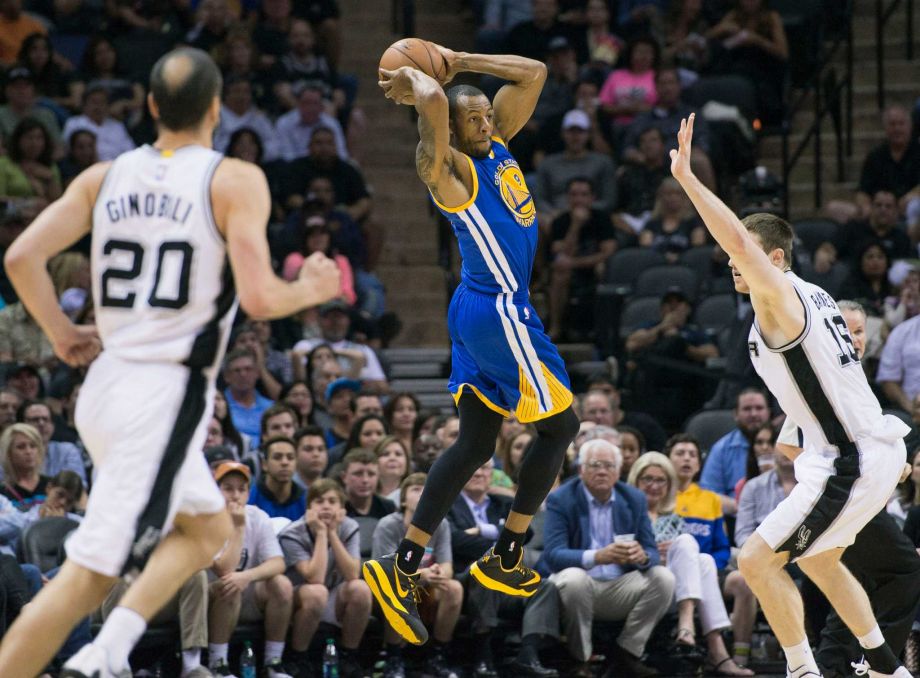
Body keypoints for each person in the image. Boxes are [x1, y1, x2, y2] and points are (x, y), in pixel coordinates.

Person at [0, 47, 341, 678]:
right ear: (215, 107)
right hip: (162, 399)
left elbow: (20, 257)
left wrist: (62, 331)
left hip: (107, 385)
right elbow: (263, 297)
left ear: (152, 106)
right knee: (84, 577)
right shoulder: (234, 179)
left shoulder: (103, 177)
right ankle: (81, 657)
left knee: (208, 528)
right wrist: (314, 289)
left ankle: (109, 647)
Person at [671, 112, 913, 678]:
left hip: (851, 457)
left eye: (748, 253)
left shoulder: (781, 295)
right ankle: (887, 669)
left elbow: (733, 236)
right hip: (850, 452)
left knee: (755, 561)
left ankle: (801, 671)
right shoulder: (814, 297)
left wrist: (687, 178)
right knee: (825, 560)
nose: (735, 260)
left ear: (775, 260)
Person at [366, 44, 579, 648]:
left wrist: (458, 58)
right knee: (562, 429)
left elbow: (536, 70)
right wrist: (417, 77)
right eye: (474, 119)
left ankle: (401, 564)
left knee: (478, 441)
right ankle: (507, 552)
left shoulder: (500, 145)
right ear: (452, 131)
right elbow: (432, 102)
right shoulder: (449, 171)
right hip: (498, 310)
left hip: (477, 309)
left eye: (490, 115)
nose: (486, 123)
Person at [773, 300, 920, 678]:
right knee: (903, 570)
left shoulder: (852, 379)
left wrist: (887, 468)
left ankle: (833, 666)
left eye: (858, 332)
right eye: (845, 330)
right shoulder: (822, 376)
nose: (853, 339)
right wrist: (842, 468)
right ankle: (877, 665)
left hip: (856, 499)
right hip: (839, 498)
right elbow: (787, 444)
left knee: (855, 583)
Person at [540, 439, 675, 678]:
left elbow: (652, 552)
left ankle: (626, 654)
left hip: (619, 586)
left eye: (609, 465)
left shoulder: (634, 498)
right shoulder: (561, 499)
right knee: (574, 579)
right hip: (577, 588)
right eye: (595, 465)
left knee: (663, 577)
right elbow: (552, 555)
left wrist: (642, 556)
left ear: (618, 471)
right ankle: (580, 660)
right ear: (581, 469)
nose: (602, 471)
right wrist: (597, 557)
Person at [627, 452, 752, 676]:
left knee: (703, 559)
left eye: (661, 480)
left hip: (674, 583)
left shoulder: (673, 517)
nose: (654, 485)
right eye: (647, 479)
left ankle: (716, 648)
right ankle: (700, 634)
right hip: (640, 579)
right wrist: (654, 555)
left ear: (669, 484)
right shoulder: (627, 512)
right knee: (688, 543)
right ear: (635, 480)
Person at [447, 460, 562, 677]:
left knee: (544, 587)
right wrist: (501, 542)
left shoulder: (503, 504)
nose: (479, 473)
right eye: (474, 467)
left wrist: (482, 530)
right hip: (463, 582)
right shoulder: (448, 505)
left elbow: (524, 534)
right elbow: (455, 540)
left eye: (484, 468)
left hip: (505, 582)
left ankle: (528, 655)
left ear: (492, 474)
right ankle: (483, 654)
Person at [208, 461, 294, 678]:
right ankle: (217, 663)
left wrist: (247, 576)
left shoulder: (258, 516)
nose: (235, 495)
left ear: (248, 493)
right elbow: (224, 569)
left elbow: (278, 563)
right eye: (228, 488)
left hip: (246, 594)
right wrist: (238, 527)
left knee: (281, 584)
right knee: (229, 584)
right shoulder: (205, 519)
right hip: (209, 598)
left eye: (241, 489)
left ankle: (273, 663)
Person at [373, 473, 463, 678]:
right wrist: (422, 574)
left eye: (428, 490)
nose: (423, 494)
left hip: (428, 585)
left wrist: (440, 573)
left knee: (454, 589)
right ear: (403, 500)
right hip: (388, 589)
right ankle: (393, 657)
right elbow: (384, 573)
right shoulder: (388, 525)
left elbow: (447, 566)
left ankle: (438, 656)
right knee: (399, 588)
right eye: (416, 489)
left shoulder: (441, 524)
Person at [279, 478, 371, 678]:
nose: (326, 506)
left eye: (332, 501)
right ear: (309, 508)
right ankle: (298, 657)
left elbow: (353, 573)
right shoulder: (293, 533)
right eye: (320, 501)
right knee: (317, 592)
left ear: (342, 507)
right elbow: (315, 577)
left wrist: (333, 534)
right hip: (299, 598)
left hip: (333, 596)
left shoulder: (348, 526)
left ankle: (348, 655)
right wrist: (322, 534)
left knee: (361, 589)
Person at [698, 388, 770, 515]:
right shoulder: (721, 449)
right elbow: (708, 495)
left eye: (759, 408)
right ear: (735, 414)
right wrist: (743, 509)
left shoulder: (783, 446)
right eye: (747, 409)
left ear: (768, 412)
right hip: (735, 518)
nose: (753, 414)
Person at [248, 435, 306, 521]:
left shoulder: (306, 501)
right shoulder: (249, 499)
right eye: (277, 457)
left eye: (290, 458)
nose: (285, 462)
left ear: (296, 463)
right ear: (264, 464)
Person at [341, 448, 396, 519]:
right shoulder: (336, 507)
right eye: (358, 474)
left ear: (378, 476)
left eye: (371, 474)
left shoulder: (388, 508)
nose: (365, 480)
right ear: (344, 477)